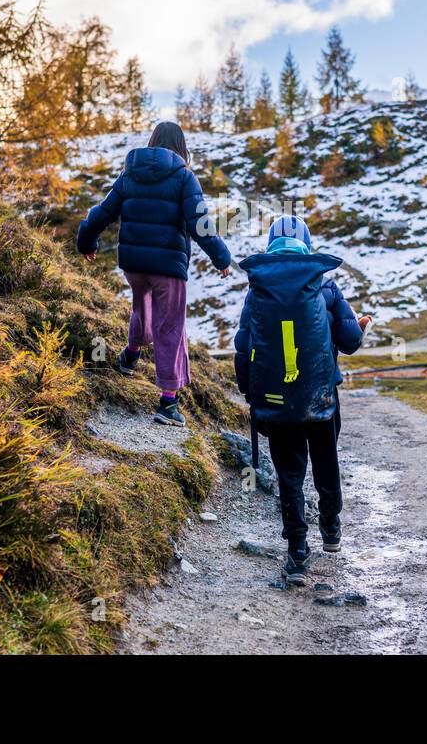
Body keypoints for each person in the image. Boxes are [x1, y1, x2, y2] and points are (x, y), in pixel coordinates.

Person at [234, 214, 371, 584]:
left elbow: (243, 345)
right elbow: (350, 342)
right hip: (320, 395)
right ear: (306, 246)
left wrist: (251, 392)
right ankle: (331, 527)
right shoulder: (324, 285)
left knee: (289, 473)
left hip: (277, 398)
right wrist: (359, 327)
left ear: (272, 245)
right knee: (326, 461)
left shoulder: (258, 288)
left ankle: (297, 550)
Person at [77, 121, 232, 425]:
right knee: (170, 327)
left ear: (152, 142)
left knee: (141, 305)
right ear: (181, 146)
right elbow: (199, 224)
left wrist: (87, 240)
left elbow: (103, 212)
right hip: (168, 266)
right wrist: (221, 257)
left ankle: (131, 355)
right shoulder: (184, 177)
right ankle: (168, 403)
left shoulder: (130, 173)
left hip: (134, 264)